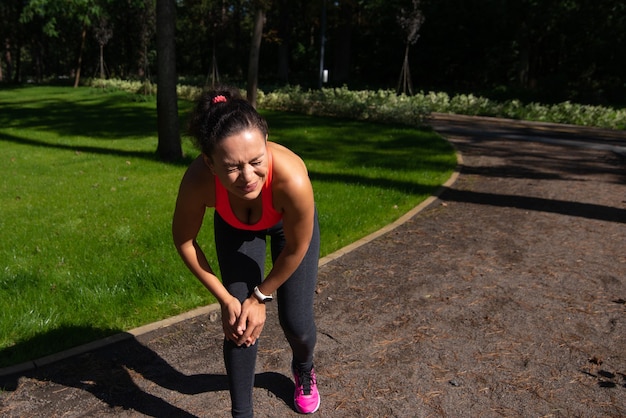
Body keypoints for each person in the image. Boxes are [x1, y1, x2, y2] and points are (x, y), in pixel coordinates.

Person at [172, 86, 321, 417]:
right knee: (239, 321)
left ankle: (304, 366)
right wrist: (227, 299)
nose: (248, 177)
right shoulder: (198, 180)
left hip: (290, 231)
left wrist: (261, 296)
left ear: (266, 139)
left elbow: (298, 245)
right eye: (232, 167)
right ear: (210, 163)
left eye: (256, 161)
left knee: (295, 322)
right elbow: (184, 240)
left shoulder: (292, 179)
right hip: (236, 228)